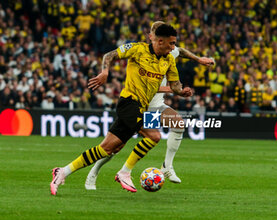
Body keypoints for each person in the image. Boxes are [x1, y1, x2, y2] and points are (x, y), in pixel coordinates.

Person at [50, 24, 193, 195]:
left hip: (143, 108)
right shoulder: (137, 49)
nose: (172, 48)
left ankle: (63, 171)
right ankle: (125, 172)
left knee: (107, 149)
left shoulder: (168, 60)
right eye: (171, 44)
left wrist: (181, 92)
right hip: (129, 102)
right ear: (160, 41)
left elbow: (175, 85)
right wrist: (105, 72)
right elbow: (109, 55)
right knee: (154, 136)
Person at [84, 21, 215, 190]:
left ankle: (166, 167)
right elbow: (149, 84)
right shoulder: (142, 54)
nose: (151, 35)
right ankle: (94, 172)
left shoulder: (169, 51)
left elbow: (180, 51)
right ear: (153, 37)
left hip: (155, 106)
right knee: (115, 146)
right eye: (151, 33)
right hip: (138, 105)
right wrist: (171, 89)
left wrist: (199, 59)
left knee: (178, 124)